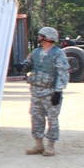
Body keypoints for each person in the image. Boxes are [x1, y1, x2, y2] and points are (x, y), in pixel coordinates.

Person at [22, 26, 69, 156]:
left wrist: (58, 91)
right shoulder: (36, 52)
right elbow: (28, 65)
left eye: (40, 35)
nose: (38, 37)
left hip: (51, 92)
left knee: (52, 119)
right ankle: (38, 144)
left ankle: (50, 146)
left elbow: (63, 73)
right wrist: (23, 67)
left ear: (47, 38)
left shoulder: (58, 54)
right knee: (36, 117)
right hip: (36, 91)